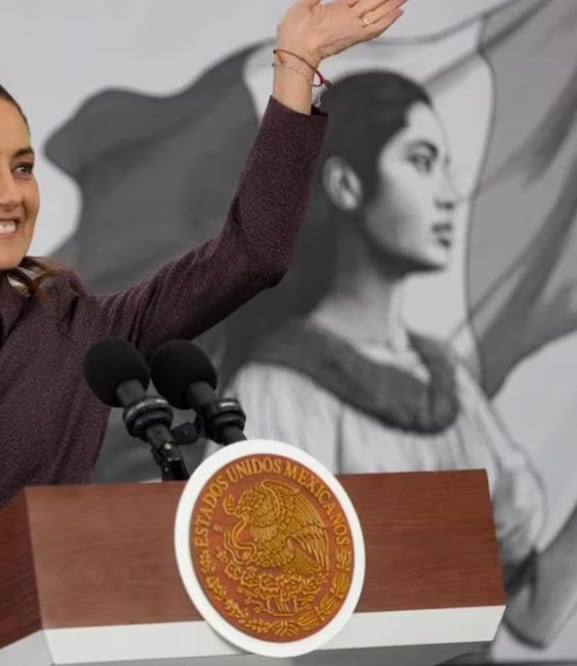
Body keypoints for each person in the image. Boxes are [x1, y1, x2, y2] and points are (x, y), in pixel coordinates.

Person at [0, 2, 406, 663]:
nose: (11, 193)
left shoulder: (79, 329)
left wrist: (296, 67)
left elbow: (252, 253)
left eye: (23, 166)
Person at [211, 70, 577, 649]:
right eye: (422, 161)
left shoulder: (447, 378)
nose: (451, 192)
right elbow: (259, 617)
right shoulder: (276, 389)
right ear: (347, 185)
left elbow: (531, 613)